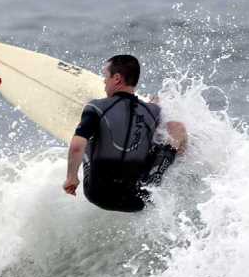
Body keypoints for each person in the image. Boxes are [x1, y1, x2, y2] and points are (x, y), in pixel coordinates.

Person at [63, 55, 187, 212]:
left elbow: (76, 147)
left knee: (93, 129)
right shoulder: (153, 111)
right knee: (176, 129)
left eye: (105, 76)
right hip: (138, 199)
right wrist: (154, 104)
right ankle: (166, 171)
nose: (103, 82)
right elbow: (157, 112)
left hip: (98, 193)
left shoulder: (96, 107)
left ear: (116, 79)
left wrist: (71, 178)